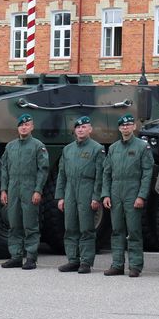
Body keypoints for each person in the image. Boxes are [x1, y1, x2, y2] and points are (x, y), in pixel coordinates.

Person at [101, 113, 154, 277]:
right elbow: (106, 173)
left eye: (129, 125)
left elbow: (147, 173)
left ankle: (135, 266)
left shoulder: (142, 147)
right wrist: (105, 194)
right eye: (123, 125)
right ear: (119, 128)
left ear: (134, 127)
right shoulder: (114, 148)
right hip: (116, 191)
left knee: (134, 230)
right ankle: (117, 264)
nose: (126, 127)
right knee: (117, 229)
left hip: (133, 190)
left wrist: (141, 196)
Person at [55, 116, 105, 274]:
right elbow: (61, 174)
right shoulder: (67, 149)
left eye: (84, 127)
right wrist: (61, 196)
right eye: (78, 127)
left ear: (90, 129)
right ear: (74, 130)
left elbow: (100, 175)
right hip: (70, 189)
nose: (81, 130)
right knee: (70, 227)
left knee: (86, 228)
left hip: (87, 188)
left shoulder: (97, 149)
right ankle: (72, 260)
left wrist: (96, 197)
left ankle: (86, 262)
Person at [0, 113, 49, 270]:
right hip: (13, 188)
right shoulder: (10, 146)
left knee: (30, 224)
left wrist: (38, 190)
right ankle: (15, 256)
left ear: (32, 127)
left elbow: (43, 170)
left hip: (29, 187)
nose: (24, 127)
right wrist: (3, 189)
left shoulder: (37, 146)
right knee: (13, 224)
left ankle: (31, 257)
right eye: (21, 125)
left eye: (27, 124)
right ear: (18, 127)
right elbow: (4, 169)